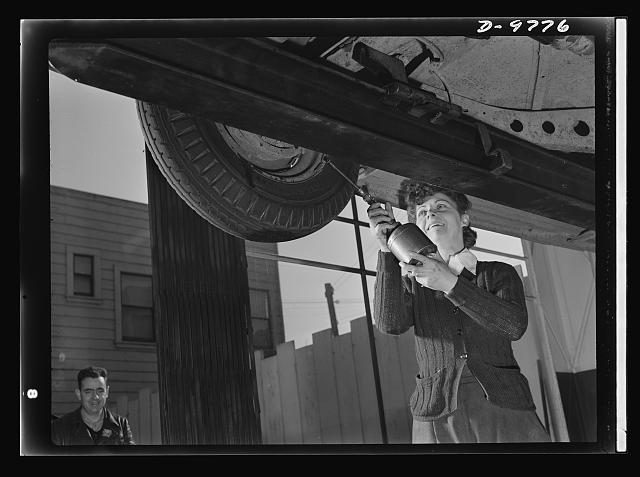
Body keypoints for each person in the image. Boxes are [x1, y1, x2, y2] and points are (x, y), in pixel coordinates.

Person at [367, 183, 551, 444]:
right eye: (422, 212)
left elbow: (513, 326)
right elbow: (389, 324)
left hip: (506, 406)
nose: (430, 214)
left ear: (464, 218)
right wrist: (386, 250)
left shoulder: (499, 273)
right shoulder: (412, 281)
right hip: (435, 415)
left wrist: (450, 284)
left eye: (440, 206)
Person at [51, 366, 135, 445]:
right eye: (88, 391)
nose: (95, 397)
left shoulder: (121, 425)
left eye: (100, 391)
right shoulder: (59, 428)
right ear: (79, 394)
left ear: (107, 392)